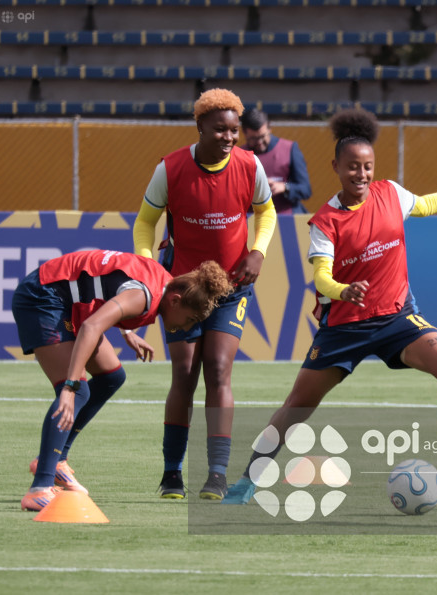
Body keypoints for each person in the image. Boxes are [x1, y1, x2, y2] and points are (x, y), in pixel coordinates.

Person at [222, 108, 437, 504]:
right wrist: (342, 290)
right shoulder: (325, 222)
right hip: (344, 329)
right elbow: (320, 278)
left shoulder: (391, 193)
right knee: (298, 406)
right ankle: (248, 479)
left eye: (368, 166)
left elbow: (426, 204)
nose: (361, 174)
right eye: (353, 167)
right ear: (336, 166)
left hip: (396, 318)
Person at [132, 88, 277, 501]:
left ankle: (216, 474)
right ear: (200, 128)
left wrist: (257, 251)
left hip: (232, 288)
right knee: (184, 374)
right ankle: (172, 473)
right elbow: (145, 224)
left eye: (234, 130)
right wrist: (150, 268)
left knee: (217, 370)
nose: (229, 138)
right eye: (220, 130)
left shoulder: (250, 166)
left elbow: (265, 212)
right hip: (182, 290)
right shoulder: (171, 168)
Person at [15, 249, 234, 511]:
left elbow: (113, 285)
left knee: (111, 376)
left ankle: (55, 460)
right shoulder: (143, 296)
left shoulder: (163, 281)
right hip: (41, 297)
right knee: (78, 390)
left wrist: (128, 330)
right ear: (175, 301)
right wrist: (70, 387)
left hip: (64, 301)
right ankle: (40, 487)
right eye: (190, 320)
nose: (187, 328)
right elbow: (92, 326)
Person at [241, 107, 312, 214]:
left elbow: (306, 190)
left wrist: (284, 187)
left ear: (269, 128)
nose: (259, 142)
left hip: (287, 219)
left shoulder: (289, 149)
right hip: (254, 221)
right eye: (253, 138)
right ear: (245, 133)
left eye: (262, 136)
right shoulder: (239, 155)